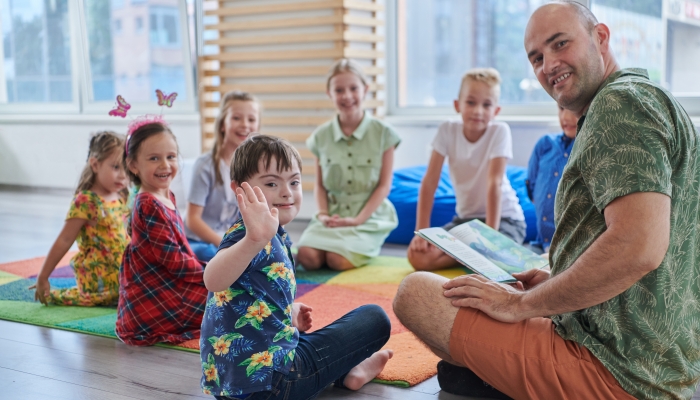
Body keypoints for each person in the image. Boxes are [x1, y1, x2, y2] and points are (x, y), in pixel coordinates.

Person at [393, 1, 700, 399]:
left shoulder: (619, 104)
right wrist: (557, 281)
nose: (548, 64)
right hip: (659, 357)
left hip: (621, 372)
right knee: (469, 315)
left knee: (416, 293)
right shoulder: (645, 96)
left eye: (560, 44)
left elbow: (638, 246)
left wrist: (522, 305)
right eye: (536, 57)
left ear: (600, 37)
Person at [200, 135, 393, 399]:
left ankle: (347, 372)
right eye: (271, 183)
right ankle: (347, 370)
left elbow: (249, 293)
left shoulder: (272, 233)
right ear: (240, 190)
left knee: (308, 341)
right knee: (375, 318)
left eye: (294, 182)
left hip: (235, 387)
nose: (286, 192)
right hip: (275, 384)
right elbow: (212, 279)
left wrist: (287, 311)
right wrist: (253, 240)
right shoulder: (248, 235)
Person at [408, 68, 526, 271]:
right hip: (465, 222)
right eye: (471, 102)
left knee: (497, 258)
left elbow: (494, 183)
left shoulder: (500, 131)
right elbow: (429, 182)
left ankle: (477, 255)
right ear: (457, 105)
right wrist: (421, 232)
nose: (478, 111)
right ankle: (474, 257)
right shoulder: (447, 130)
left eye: (486, 104)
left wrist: (490, 236)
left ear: (496, 111)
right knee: (416, 257)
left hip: (504, 220)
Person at [295, 59, 400, 271]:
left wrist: (358, 220)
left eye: (353, 88)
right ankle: (331, 243)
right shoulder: (320, 137)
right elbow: (320, 185)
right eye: (339, 90)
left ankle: (362, 245)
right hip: (333, 215)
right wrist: (323, 214)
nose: (347, 96)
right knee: (307, 257)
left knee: (336, 260)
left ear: (365, 90)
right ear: (329, 94)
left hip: (368, 216)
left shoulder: (384, 134)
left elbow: (383, 186)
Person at [116, 118, 208, 346]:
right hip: (155, 296)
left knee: (228, 293)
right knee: (227, 302)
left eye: (171, 156)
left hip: (168, 284)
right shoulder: (148, 204)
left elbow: (179, 255)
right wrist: (210, 274)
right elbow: (175, 261)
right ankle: (279, 318)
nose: (165, 165)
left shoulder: (166, 196)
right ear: (134, 165)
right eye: (154, 158)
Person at [29, 131, 129, 306]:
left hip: (122, 271)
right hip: (99, 277)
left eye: (127, 169)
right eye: (115, 167)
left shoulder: (121, 195)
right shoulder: (86, 201)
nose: (123, 175)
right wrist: (43, 276)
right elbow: (64, 240)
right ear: (95, 165)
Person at [185, 91, 260, 262]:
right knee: (214, 255)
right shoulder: (205, 166)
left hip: (230, 238)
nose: (244, 125)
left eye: (251, 119)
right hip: (199, 241)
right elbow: (192, 219)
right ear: (222, 124)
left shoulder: (251, 168)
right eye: (236, 118)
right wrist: (226, 244)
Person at [525, 106, 579, 254]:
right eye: (561, 108)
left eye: (573, 110)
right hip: (540, 243)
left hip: (570, 247)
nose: (566, 117)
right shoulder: (545, 143)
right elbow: (532, 184)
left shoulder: (587, 149)